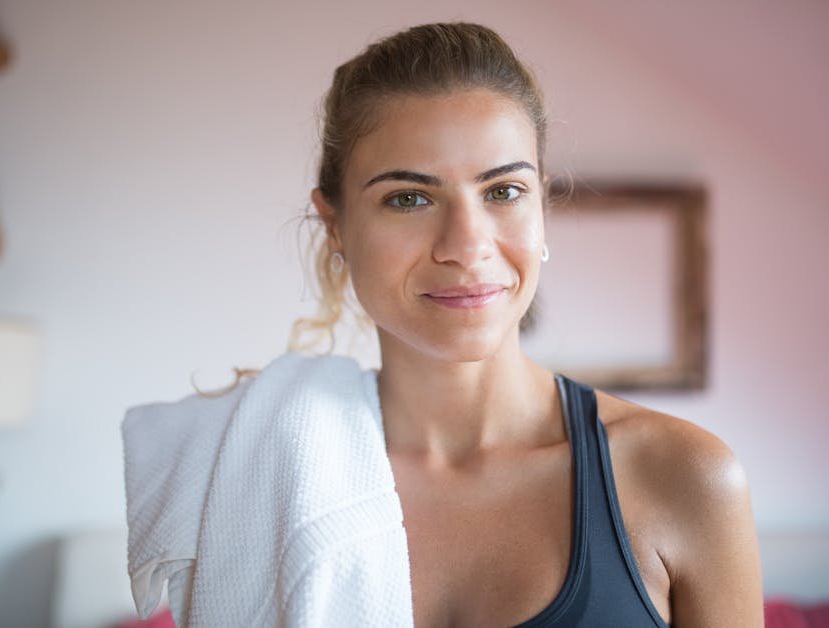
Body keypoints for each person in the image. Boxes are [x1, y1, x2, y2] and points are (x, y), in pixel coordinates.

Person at [123, 22, 763, 627]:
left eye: (503, 191)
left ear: (542, 205)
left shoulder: (683, 476)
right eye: (409, 197)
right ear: (336, 225)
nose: (466, 244)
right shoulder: (254, 467)